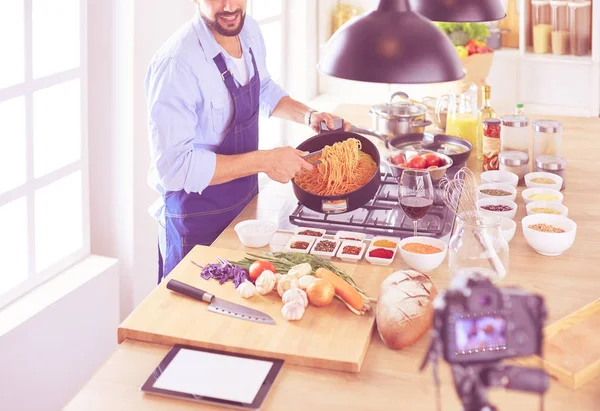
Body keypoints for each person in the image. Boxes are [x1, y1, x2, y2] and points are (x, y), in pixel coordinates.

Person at [145, 0, 351, 283]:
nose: (229, 5)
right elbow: (175, 169)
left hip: (243, 211)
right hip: (195, 223)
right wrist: (266, 161)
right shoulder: (176, 65)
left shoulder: (248, 30)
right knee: (193, 321)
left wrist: (309, 115)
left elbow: (263, 87)